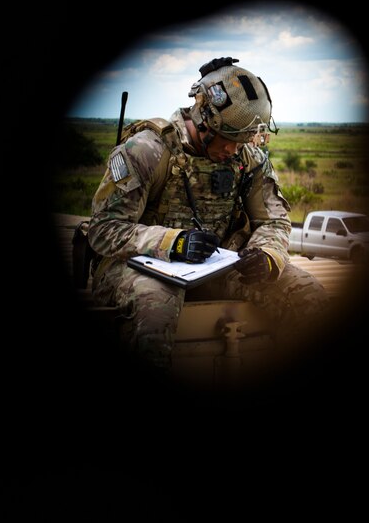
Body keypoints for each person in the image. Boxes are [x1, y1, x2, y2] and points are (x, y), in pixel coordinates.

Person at [87, 57, 329, 369]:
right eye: (229, 139)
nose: (235, 149)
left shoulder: (247, 156)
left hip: (216, 265)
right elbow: (104, 229)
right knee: (156, 308)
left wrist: (268, 254)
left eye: (243, 140)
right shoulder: (146, 150)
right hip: (137, 265)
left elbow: (274, 219)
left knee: (309, 296)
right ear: (204, 120)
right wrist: (174, 243)